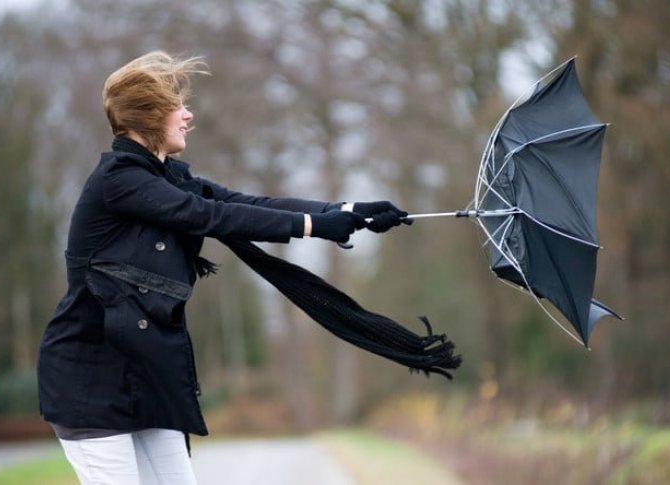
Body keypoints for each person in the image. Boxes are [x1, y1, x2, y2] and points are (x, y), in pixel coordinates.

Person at [36, 50, 409, 484]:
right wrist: (315, 227)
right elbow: (209, 217)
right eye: (178, 106)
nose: (188, 115)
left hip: (146, 375)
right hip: (90, 381)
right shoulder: (119, 180)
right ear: (150, 114)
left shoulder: (166, 177)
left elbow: (243, 203)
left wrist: (347, 210)